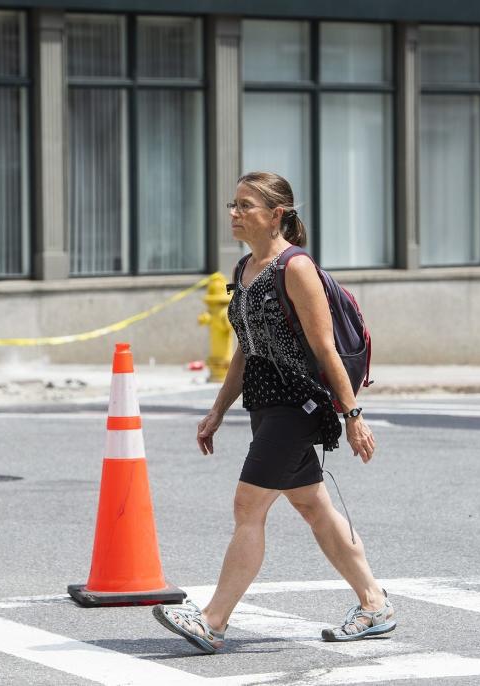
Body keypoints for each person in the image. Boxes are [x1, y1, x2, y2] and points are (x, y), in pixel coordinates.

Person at [152, 171, 393, 653]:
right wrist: (218, 408)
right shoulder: (246, 268)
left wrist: (354, 415)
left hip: (299, 402)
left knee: (248, 506)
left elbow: (324, 348)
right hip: (264, 401)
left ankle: (213, 621)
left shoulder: (295, 267)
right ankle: (374, 604)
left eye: (246, 206)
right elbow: (246, 348)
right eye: (233, 205)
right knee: (312, 506)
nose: (235, 214)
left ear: (276, 214)